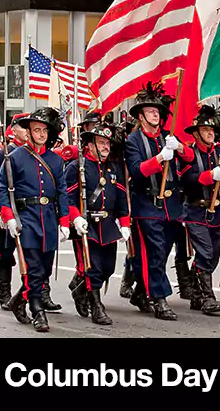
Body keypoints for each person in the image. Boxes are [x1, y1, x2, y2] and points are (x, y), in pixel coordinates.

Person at [0, 108, 70, 333]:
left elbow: (62, 191)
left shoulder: (55, 161)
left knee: (44, 268)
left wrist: (65, 220)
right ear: (28, 132)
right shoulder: (14, 157)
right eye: (36, 130)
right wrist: (7, 217)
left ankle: (20, 299)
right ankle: (37, 310)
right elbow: (1, 189)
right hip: (26, 216)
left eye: (44, 130)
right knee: (33, 266)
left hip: (48, 218)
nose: (41, 134)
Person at [124, 82, 195, 321]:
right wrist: (159, 159)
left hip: (171, 207)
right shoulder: (133, 140)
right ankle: (160, 298)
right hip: (147, 205)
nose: (155, 113)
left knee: (162, 254)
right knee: (153, 252)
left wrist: (180, 148)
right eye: (150, 111)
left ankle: (140, 292)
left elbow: (191, 159)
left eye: (157, 111)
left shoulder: (168, 136)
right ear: (141, 116)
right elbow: (136, 171)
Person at [65, 122, 130, 325]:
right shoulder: (77, 167)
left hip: (108, 224)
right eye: (101, 142)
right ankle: (96, 307)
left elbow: (120, 196)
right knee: (91, 267)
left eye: (107, 144)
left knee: (108, 268)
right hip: (86, 224)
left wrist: (125, 222)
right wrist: (75, 218)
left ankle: (80, 289)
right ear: (90, 145)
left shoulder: (112, 167)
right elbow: (68, 199)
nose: (105, 147)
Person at [179, 105, 220, 316]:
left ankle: (195, 293)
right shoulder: (190, 154)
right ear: (196, 133)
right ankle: (208, 297)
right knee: (205, 252)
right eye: (205, 130)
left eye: (212, 131)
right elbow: (188, 181)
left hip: (216, 212)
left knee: (213, 256)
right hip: (196, 210)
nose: (210, 133)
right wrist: (211, 175)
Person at [0, 113, 30, 316]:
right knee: (5, 252)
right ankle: (4, 292)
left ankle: (37, 293)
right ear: (14, 129)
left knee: (33, 253)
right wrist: (0, 211)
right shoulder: (4, 152)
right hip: (10, 210)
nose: (27, 131)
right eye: (23, 127)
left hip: (30, 210)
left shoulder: (33, 152)